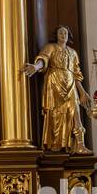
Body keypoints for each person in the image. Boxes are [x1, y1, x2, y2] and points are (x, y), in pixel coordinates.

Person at [23, 25, 91, 153]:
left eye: (65, 32)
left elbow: (77, 74)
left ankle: (80, 145)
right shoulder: (50, 47)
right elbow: (43, 59)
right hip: (54, 83)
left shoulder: (73, 52)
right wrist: (36, 67)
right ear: (56, 35)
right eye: (60, 32)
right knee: (55, 114)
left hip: (70, 83)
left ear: (68, 35)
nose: (63, 34)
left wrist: (82, 92)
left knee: (75, 112)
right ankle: (56, 143)